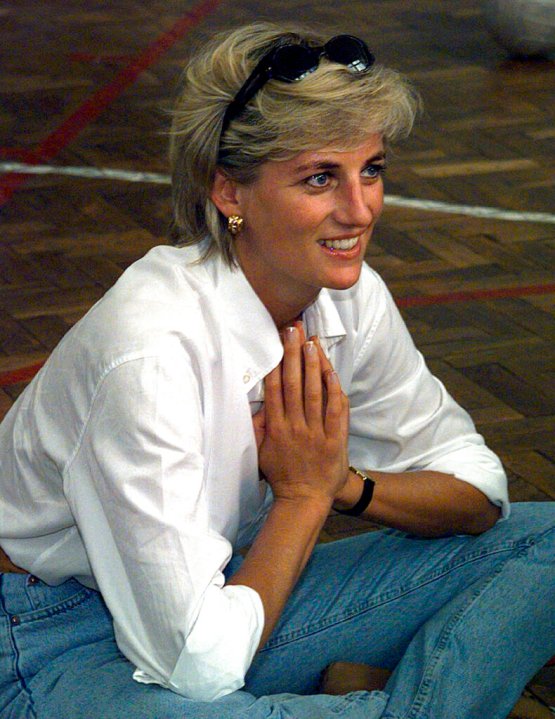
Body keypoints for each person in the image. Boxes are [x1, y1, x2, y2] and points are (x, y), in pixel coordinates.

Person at [0, 21, 553, 719]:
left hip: (226, 599)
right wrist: (301, 499)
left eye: (371, 169)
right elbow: (196, 665)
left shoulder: (348, 296)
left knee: (546, 541)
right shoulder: (149, 354)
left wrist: (341, 485)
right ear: (229, 193)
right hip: (42, 637)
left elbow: (480, 492)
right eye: (320, 177)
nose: (360, 210)